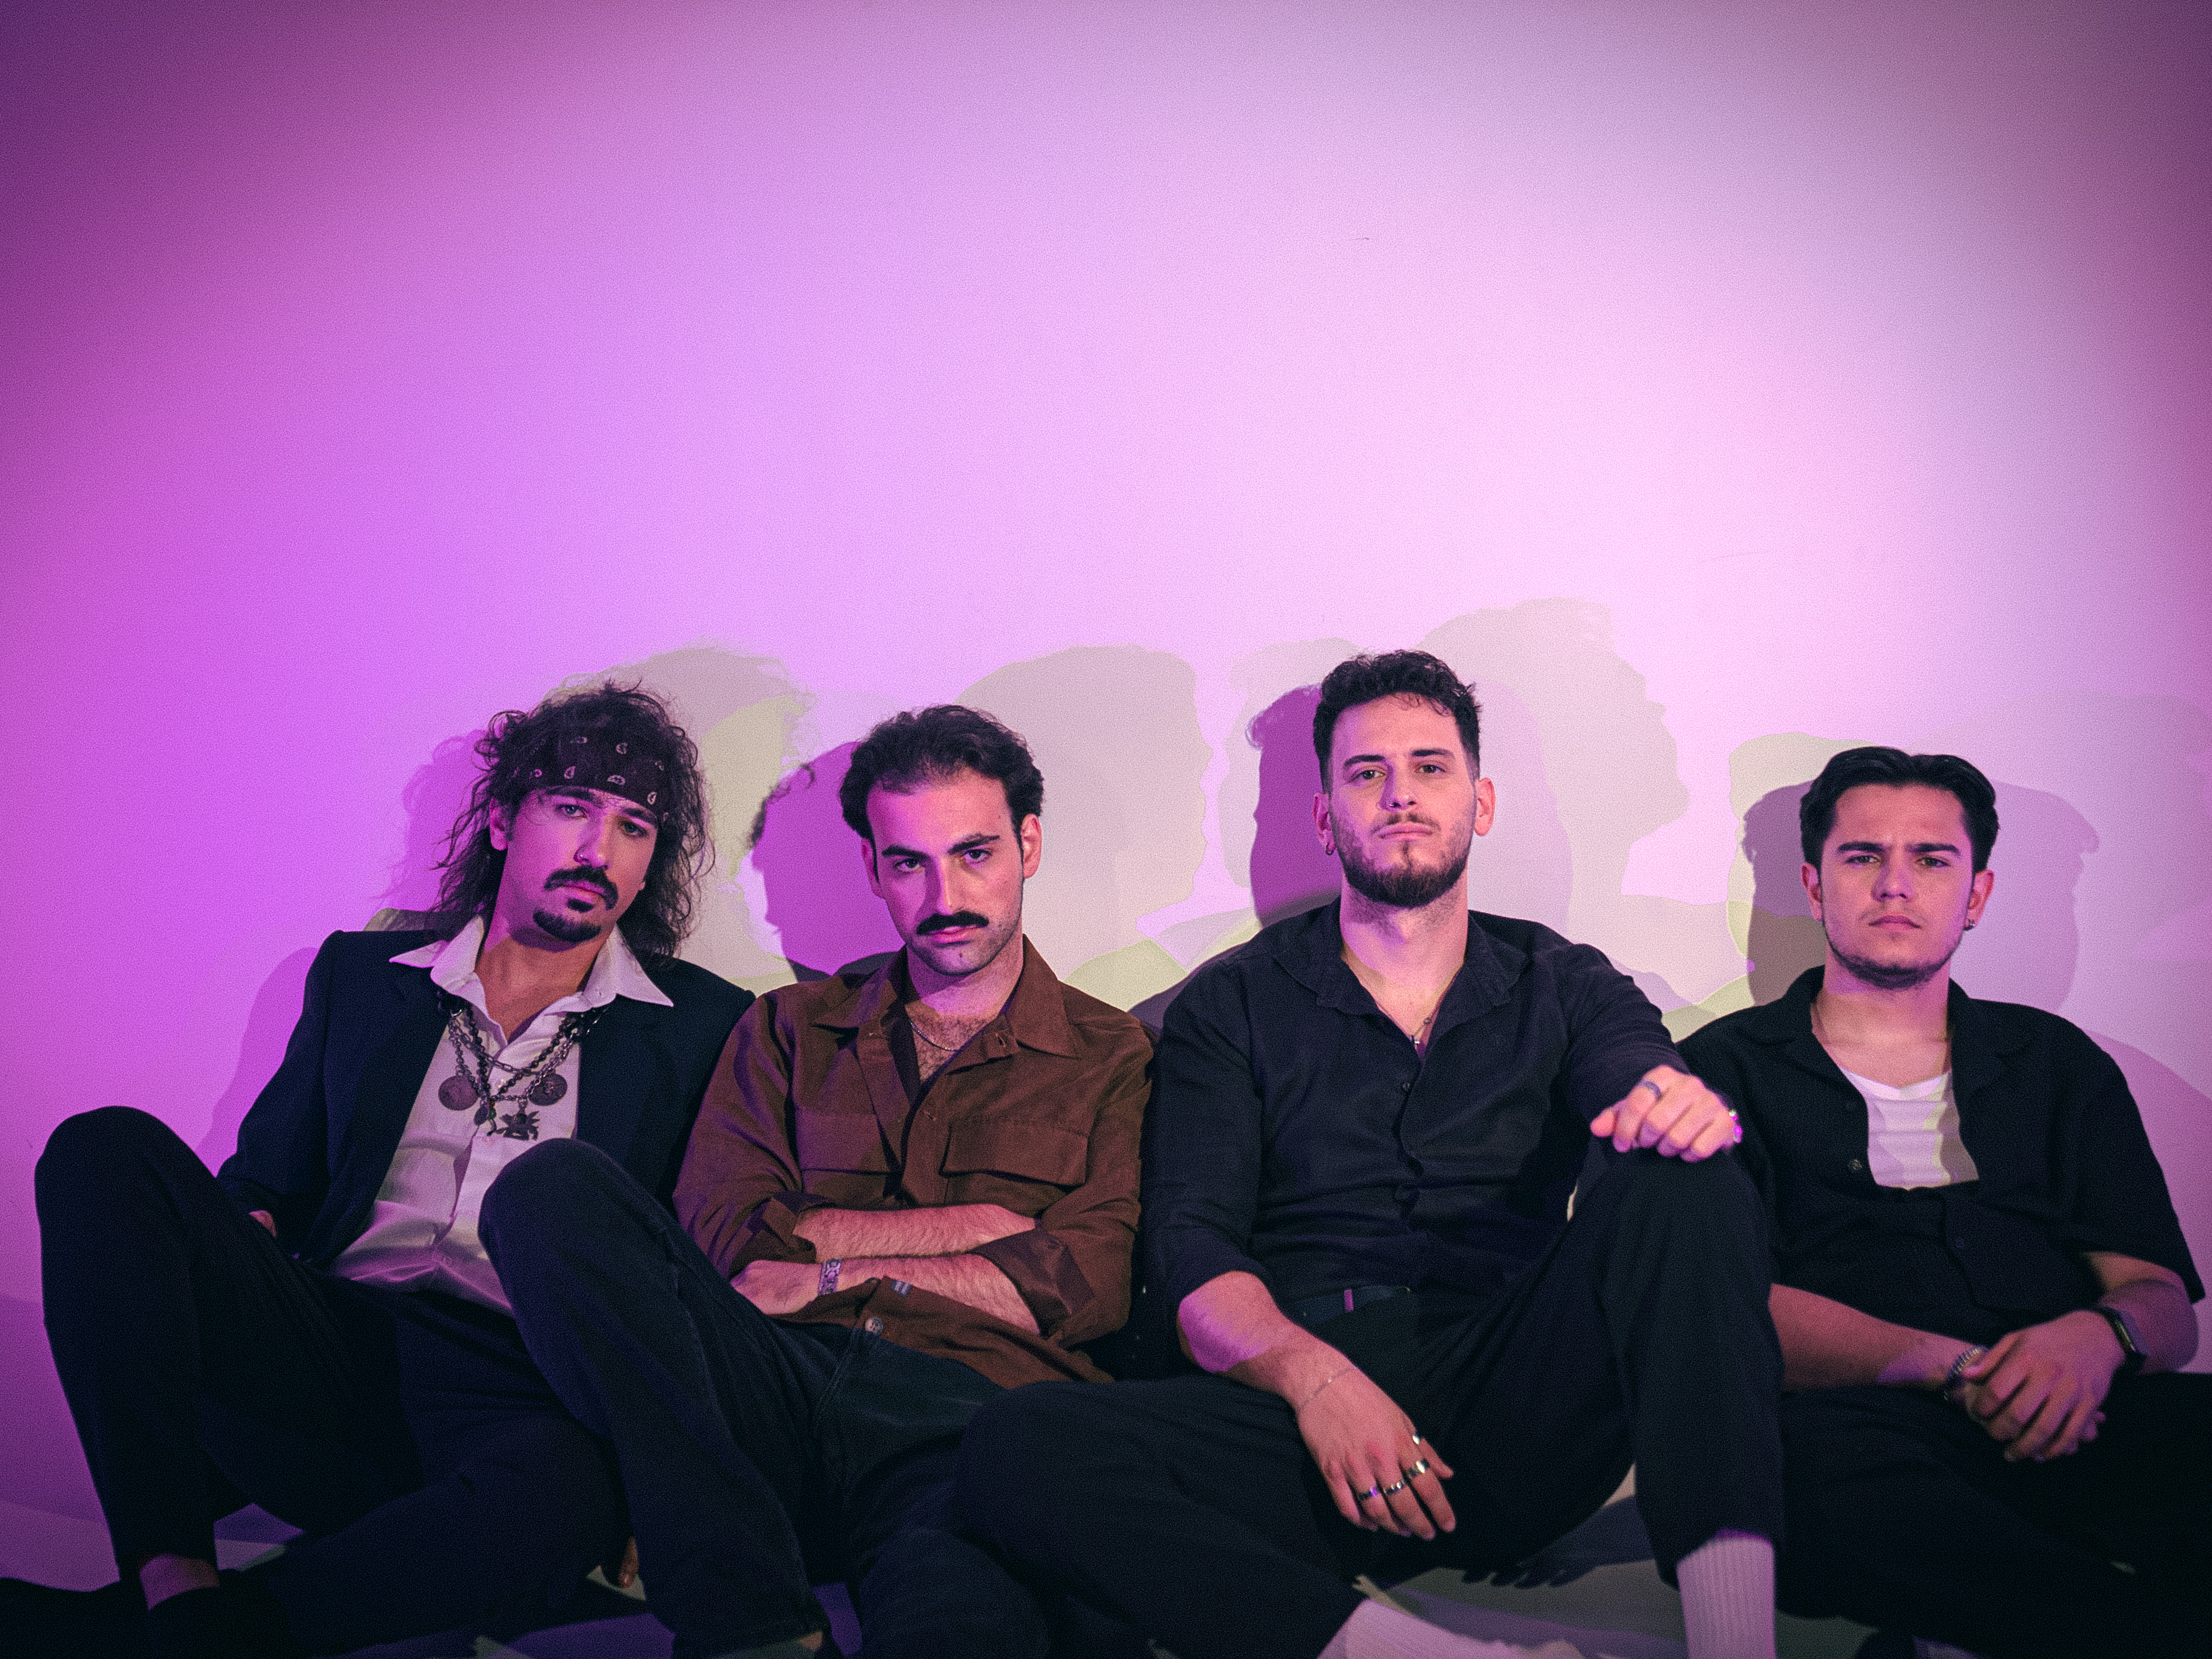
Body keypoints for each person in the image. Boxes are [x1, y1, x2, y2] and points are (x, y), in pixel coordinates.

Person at [958, 650, 1785, 1659]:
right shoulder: (1233, 1003)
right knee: (1016, 1445)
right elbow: (1191, 1249)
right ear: (1325, 818)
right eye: (1367, 773)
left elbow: (1634, 1073)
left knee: (1687, 1167)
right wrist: (1318, 1385)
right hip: (1305, 1417)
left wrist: (1667, 1101)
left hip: (1515, 1398)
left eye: (1430, 767)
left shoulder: (1563, 982)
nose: (1401, 796)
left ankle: (1737, 1645)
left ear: (1481, 802)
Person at [4, 684, 751, 1659]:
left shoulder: (705, 1026)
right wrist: (225, 1280)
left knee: (568, 1500)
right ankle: (174, 1574)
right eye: (572, 807)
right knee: (104, 1148)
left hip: (520, 1384)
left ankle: (176, 1632)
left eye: (633, 827)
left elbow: (697, 1258)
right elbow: (264, 1187)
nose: (597, 850)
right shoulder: (362, 978)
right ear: (502, 821)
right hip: (333, 1345)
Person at [477, 704, 1153, 1659]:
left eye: (975, 854)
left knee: (960, 1622)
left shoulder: (1111, 1052)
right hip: (769, 1391)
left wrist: (826, 1264)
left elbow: (1085, 1281)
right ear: (873, 867)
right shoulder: (788, 1027)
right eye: (909, 863)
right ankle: (755, 1621)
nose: (946, 895)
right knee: (547, 1188)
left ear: (1028, 846)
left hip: (964, 1416)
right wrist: (986, 1227)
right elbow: (728, 1240)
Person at [1680, 747, 2208, 1658]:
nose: (1895, 885)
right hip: (1862, 1428)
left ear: (1977, 894)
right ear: (1814, 885)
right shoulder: (1719, 1071)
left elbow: (2161, 1302)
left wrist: (2097, 1339)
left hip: (2081, 1412)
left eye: (1931, 859)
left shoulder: (2056, 1064)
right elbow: (1722, 1307)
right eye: (1863, 856)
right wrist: (1955, 1370)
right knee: (1788, 1476)